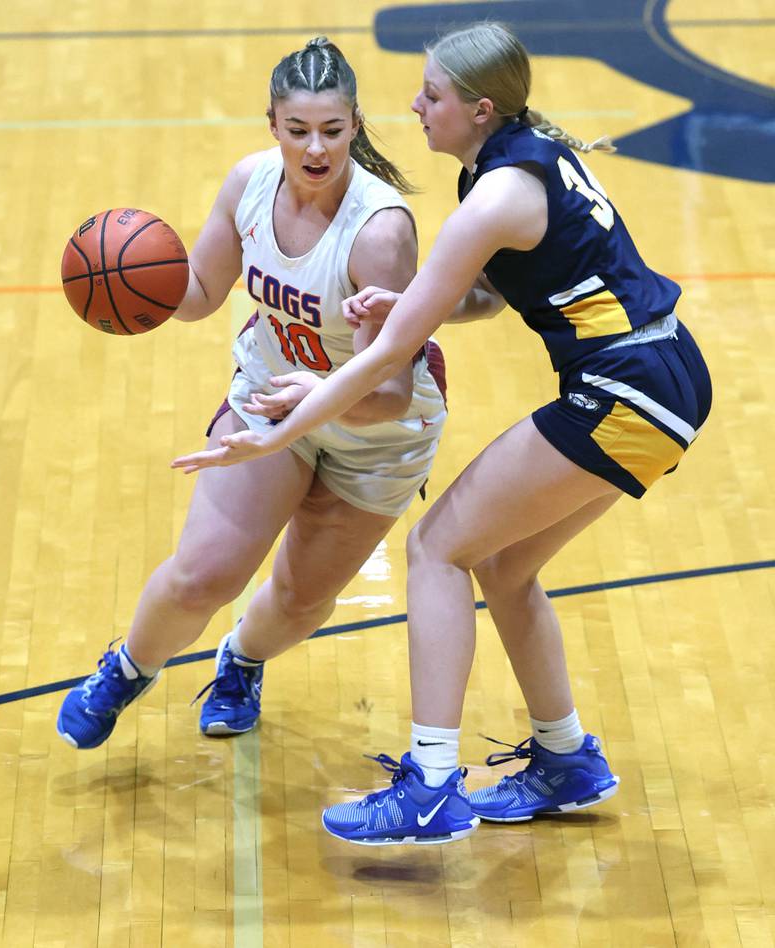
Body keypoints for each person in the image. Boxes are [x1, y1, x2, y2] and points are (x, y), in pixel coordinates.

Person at [171, 21, 712, 846]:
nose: (415, 107)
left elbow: (389, 357)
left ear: (479, 108)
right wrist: (411, 301)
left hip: (625, 389)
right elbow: (479, 298)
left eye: (432, 95)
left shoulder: (493, 194)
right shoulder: (520, 157)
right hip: (660, 378)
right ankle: (567, 759)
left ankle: (428, 784)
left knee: (436, 550)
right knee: (502, 563)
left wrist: (282, 428)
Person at [56, 37, 448, 750]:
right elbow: (203, 292)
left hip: (378, 433)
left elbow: (389, 392)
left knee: (302, 600)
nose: (316, 147)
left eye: (332, 130)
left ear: (356, 124)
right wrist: (137, 285)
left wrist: (322, 394)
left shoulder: (380, 231)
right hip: (271, 397)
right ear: (272, 124)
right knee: (206, 573)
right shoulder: (249, 183)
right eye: (298, 130)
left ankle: (242, 660)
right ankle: (128, 666)